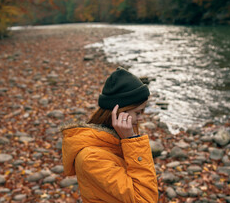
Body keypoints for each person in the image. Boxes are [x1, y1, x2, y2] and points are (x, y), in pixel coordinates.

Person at [61, 67, 158, 202]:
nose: (141, 118)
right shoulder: (92, 158)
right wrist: (131, 141)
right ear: (119, 113)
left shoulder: (114, 140)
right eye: (138, 112)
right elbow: (145, 199)